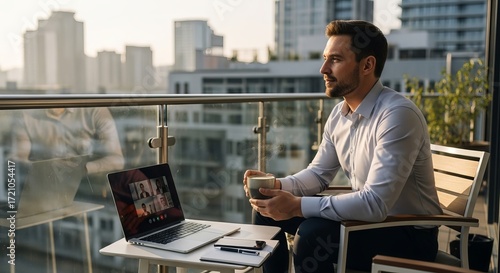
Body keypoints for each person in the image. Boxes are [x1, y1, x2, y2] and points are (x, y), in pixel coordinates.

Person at [243, 20, 443, 273]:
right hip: (366, 221)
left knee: (312, 235)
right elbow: (318, 175)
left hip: (407, 234)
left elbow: (375, 204)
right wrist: (277, 186)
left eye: (335, 60)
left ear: (367, 65)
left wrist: (296, 205)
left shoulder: (397, 115)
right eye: (325, 58)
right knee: (266, 210)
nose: (323, 69)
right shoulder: (340, 114)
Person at [10, 107, 124, 175]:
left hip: (90, 189)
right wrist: (43, 172)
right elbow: (18, 160)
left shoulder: (95, 110)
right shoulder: (25, 115)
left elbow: (117, 160)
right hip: (46, 190)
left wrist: (82, 170)